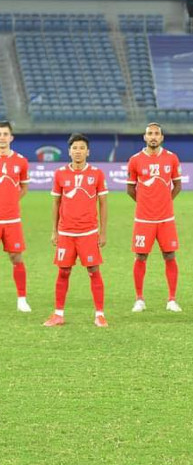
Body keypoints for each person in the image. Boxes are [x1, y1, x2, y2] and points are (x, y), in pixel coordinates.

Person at [43, 133, 108, 327]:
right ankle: (58, 314)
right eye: (74, 148)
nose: (78, 151)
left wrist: (102, 232)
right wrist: (54, 231)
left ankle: (99, 314)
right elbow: (56, 203)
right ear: (69, 151)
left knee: (93, 271)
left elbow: (103, 204)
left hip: (88, 232)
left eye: (81, 148)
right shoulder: (60, 174)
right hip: (66, 233)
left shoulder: (96, 173)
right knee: (63, 272)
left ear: (87, 151)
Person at [126, 123, 183, 313]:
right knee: (140, 256)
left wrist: (165, 201)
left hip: (166, 219)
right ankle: (139, 299)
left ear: (162, 137)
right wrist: (144, 203)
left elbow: (177, 185)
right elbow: (130, 189)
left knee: (170, 255)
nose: (153, 137)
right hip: (143, 219)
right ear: (144, 137)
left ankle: (172, 299)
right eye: (150, 133)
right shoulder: (135, 160)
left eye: (156, 134)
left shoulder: (171, 158)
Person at [0, 120, 31, 312]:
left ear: (11, 137)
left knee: (16, 257)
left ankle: (21, 299)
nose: (1, 138)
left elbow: (24, 188)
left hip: (12, 220)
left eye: (5, 134)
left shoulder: (21, 161)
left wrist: (9, 202)